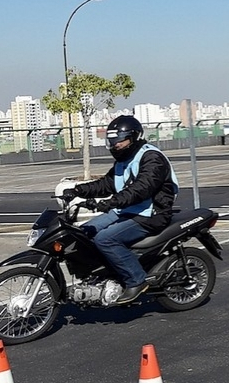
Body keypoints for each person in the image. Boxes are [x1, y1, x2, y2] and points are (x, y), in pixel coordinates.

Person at [62, 115, 180, 304]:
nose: (115, 145)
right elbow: (107, 184)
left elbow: (142, 188)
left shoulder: (152, 158)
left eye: (120, 141)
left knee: (105, 239)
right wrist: (77, 191)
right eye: (112, 142)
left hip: (151, 214)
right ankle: (105, 274)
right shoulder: (124, 160)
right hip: (126, 211)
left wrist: (111, 203)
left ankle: (136, 280)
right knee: (83, 233)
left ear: (134, 137)